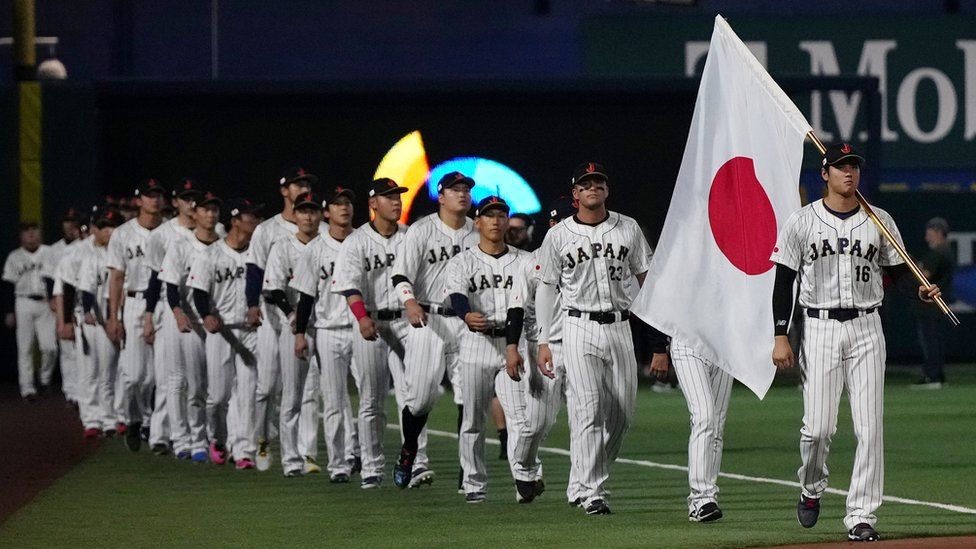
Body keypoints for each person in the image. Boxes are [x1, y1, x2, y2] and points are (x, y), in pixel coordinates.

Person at [770, 142, 942, 543]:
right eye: (841, 166)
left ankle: (861, 514)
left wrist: (916, 290)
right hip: (821, 327)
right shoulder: (802, 222)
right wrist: (780, 334)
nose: (850, 172)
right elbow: (783, 282)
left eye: (854, 166)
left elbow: (897, 271)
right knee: (818, 430)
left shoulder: (878, 220)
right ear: (825, 175)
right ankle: (812, 486)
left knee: (870, 427)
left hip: (867, 327)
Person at [534, 162, 658, 515]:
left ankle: (584, 478)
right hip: (578, 325)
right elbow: (545, 290)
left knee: (622, 415)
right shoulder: (558, 236)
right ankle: (592, 491)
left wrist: (657, 340)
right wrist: (544, 340)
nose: (593, 187)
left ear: (607, 189)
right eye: (585, 183)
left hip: (620, 326)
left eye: (598, 181)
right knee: (588, 409)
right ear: (575, 195)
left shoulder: (628, 228)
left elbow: (646, 280)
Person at [391, 171, 477, 490]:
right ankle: (409, 450)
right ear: (441, 197)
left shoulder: (478, 231)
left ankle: (467, 470)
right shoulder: (421, 230)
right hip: (428, 317)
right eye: (455, 189)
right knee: (421, 398)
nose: (463, 194)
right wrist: (410, 302)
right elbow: (401, 275)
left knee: (470, 396)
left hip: (466, 323)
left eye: (466, 189)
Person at [330, 177, 413, 489]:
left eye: (398, 196)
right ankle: (372, 467)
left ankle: (415, 463)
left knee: (414, 397)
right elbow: (349, 285)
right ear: (373, 204)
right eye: (388, 196)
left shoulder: (411, 236)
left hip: (406, 321)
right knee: (371, 400)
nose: (396, 201)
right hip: (371, 323)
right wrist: (362, 317)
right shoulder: (357, 241)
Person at [444, 196, 525, 503]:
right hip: (476, 343)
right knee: (473, 419)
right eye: (488, 215)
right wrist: (465, 315)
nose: (494, 220)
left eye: (500, 215)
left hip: (512, 343)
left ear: (507, 222)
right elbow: (456, 295)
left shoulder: (524, 260)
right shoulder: (462, 261)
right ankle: (474, 482)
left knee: (520, 418)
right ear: (476, 223)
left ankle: (524, 479)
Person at [503, 195, 580, 505]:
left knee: (585, 420)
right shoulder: (529, 262)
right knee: (537, 424)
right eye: (556, 221)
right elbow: (516, 309)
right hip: (539, 348)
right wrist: (512, 347)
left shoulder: (584, 260)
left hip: (576, 344)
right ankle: (523, 465)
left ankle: (581, 491)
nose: (562, 226)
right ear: (550, 226)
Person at [244, 167, 315, 470]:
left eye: (306, 184)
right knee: (266, 385)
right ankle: (260, 438)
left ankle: (307, 452)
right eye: (297, 184)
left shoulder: (319, 230)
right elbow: (255, 270)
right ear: (285, 191)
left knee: (307, 387)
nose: (302, 187)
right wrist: (251, 303)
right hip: (273, 315)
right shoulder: (268, 229)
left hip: (309, 314)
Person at [292, 185, 362, 483]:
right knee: (333, 401)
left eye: (347, 202)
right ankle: (338, 465)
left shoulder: (364, 242)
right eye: (337, 204)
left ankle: (366, 459)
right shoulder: (314, 250)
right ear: (326, 212)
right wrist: (299, 333)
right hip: (328, 331)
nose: (343, 208)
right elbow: (306, 297)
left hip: (363, 330)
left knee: (370, 400)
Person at [189, 198, 263, 470]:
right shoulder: (211, 254)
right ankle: (217, 438)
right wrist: (206, 314)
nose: (255, 221)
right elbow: (198, 290)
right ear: (235, 221)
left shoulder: (257, 254)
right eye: (250, 217)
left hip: (249, 331)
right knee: (218, 396)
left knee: (248, 392)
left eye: (256, 216)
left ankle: (244, 450)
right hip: (220, 330)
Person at [263, 191, 326, 477]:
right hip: (293, 327)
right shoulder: (282, 246)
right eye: (303, 211)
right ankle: (290, 459)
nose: (308, 216)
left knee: (313, 394)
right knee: (292, 395)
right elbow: (274, 288)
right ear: (295, 215)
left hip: (324, 325)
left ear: (320, 214)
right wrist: (291, 314)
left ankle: (308, 453)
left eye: (313, 211)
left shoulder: (328, 244)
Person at [159, 192, 223, 462]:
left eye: (214, 210)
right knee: (189, 384)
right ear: (194, 214)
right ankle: (190, 439)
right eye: (204, 210)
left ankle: (216, 438)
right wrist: (177, 313)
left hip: (219, 323)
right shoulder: (180, 246)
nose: (209, 214)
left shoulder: (223, 245)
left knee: (218, 388)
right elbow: (171, 286)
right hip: (190, 322)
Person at [106, 178, 167, 452]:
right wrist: (113, 317)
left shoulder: (172, 232)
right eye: (148, 195)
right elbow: (116, 278)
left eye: (158, 195)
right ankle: (133, 419)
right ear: (138, 200)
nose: (154, 199)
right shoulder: (122, 233)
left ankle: (149, 424)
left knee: (157, 375)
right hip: (133, 302)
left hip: (164, 302)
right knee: (133, 376)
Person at [143, 177, 202, 456]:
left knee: (200, 379)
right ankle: (163, 435)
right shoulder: (162, 235)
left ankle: (201, 434)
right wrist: (148, 315)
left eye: (195, 198)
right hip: (172, 311)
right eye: (185, 197)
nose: (191, 203)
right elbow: (155, 280)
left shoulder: (215, 231)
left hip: (204, 312)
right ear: (176, 202)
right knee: (172, 377)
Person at [76, 207, 125, 438]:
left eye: (113, 226)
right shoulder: (91, 256)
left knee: (110, 372)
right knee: (91, 372)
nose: (110, 231)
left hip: (114, 319)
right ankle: (90, 419)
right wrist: (89, 312)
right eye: (105, 226)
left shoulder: (121, 254)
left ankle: (109, 418)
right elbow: (87, 291)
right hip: (95, 322)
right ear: (96, 230)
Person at [2, 222, 56, 401]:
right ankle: (27, 389)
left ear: (40, 234)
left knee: (50, 347)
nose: (31, 235)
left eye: (35, 231)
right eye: (27, 231)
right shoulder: (14, 256)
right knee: (25, 348)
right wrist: (10, 311)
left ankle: (44, 379)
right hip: (23, 301)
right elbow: (8, 285)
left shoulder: (49, 252)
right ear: (21, 236)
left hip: (46, 302)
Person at [42, 208, 82, 407]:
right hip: (62, 299)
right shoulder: (54, 249)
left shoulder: (84, 246)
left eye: (73, 220)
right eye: (67, 220)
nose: (70, 224)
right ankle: (70, 392)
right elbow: (49, 277)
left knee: (82, 351)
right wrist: (52, 298)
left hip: (80, 301)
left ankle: (82, 392)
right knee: (66, 349)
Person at [911, 217, 955, 389]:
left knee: (930, 341)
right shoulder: (946, 251)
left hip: (931, 306)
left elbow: (924, 276)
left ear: (938, 232)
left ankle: (933, 376)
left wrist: (911, 263)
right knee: (934, 340)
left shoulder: (939, 252)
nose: (926, 237)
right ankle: (937, 376)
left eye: (929, 233)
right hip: (937, 305)